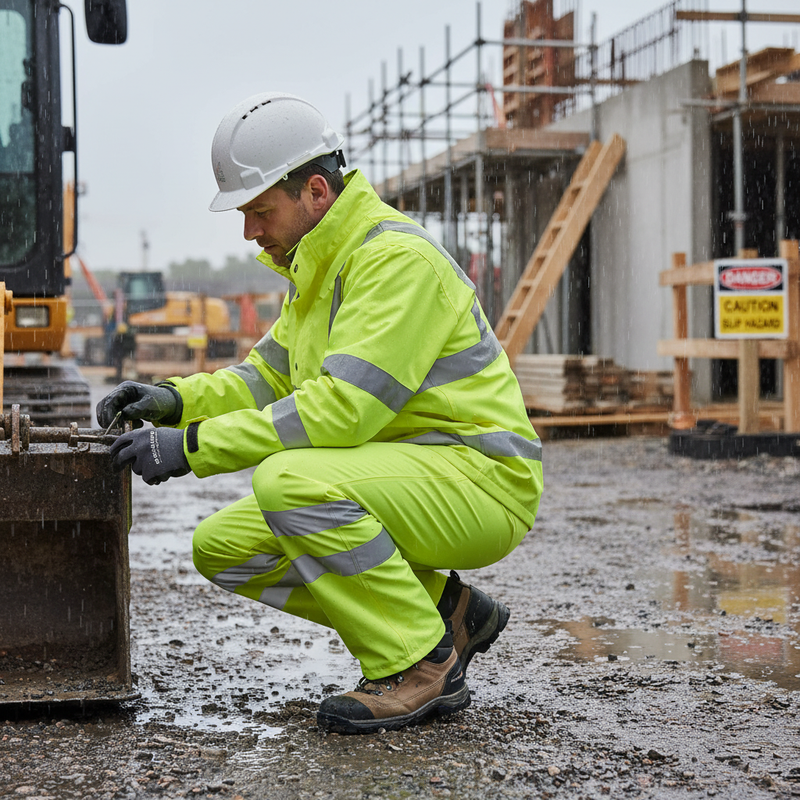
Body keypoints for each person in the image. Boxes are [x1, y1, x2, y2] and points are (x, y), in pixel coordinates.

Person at [98, 92, 543, 735]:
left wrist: (189, 447)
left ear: (315, 191)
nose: (250, 231)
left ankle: (420, 664)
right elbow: (264, 377)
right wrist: (175, 400)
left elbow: (341, 413)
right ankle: (447, 611)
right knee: (224, 547)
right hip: (414, 473)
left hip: (481, 476)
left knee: (290, 482)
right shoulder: (318, 269)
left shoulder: (392, 261)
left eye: (258, 210)